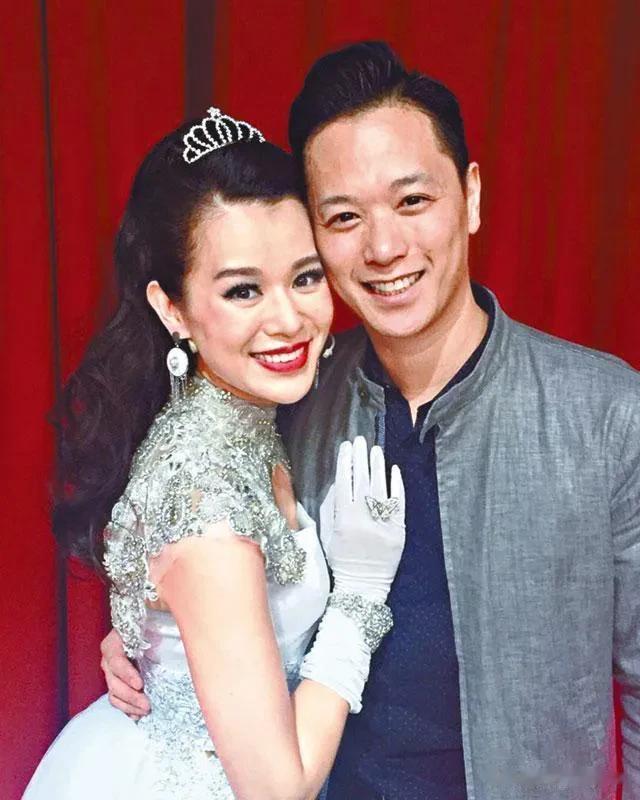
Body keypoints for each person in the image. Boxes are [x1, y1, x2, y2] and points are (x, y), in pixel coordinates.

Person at [103, 42, 640, 800]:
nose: (384, 248)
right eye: (345, 217)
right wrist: (160, 642)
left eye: (413, 201)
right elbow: (221, 576)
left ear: (470, 196)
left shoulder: (607, 414)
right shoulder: (295, 399)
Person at [23, 109, 407, 800]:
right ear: (172, 309)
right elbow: (277, 790)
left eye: (305, 277)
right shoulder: (210, 515)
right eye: (242, 291)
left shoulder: (254, 419)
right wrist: (359, 595)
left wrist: (150, 641)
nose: (288, 319)